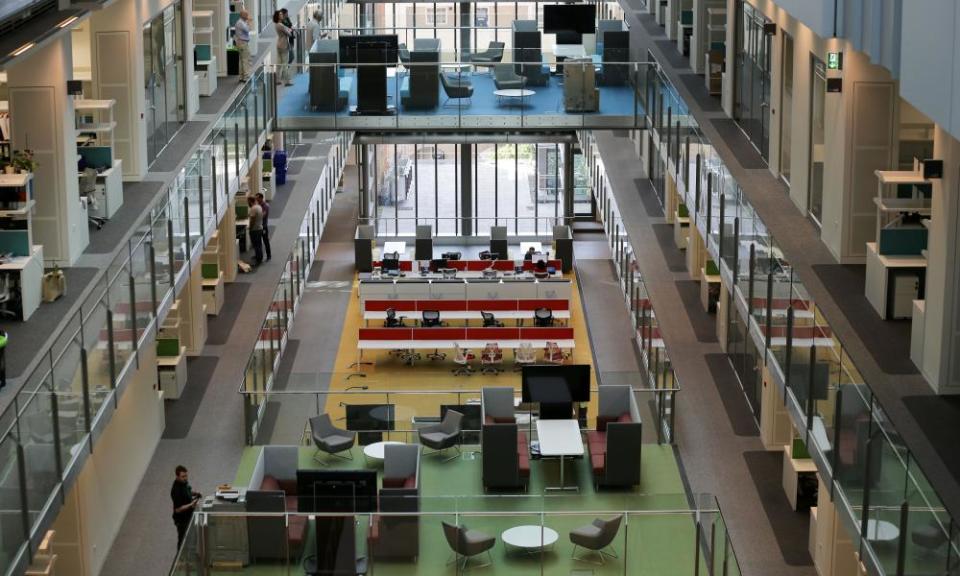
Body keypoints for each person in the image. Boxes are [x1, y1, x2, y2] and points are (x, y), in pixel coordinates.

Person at [171, 465, 201, 552]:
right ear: (177, 476)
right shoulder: (175, 491)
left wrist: (195, 493)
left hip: (189, 515)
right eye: (183, 476)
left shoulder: (184, 483)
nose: (185, 478)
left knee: (192, 536)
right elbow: (178, 509)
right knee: (182, 540)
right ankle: (180, 558)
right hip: (182, 521)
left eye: (186, 475)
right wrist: (191, 505)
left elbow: (188, 491)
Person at [273, 11, 293, 86]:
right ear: (277, 16)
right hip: (284, 44)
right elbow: (289, 33)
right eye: (280, 14)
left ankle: (278, 79)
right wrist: (289, 30)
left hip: (279, 44)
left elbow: (287, 29)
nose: (282, 15)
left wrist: (288, 29)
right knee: (285, 63)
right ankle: (287, 81)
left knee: (279, 63)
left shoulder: (277, 25)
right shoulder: (280, 25)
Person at [234, 10, 251, 82]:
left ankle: (241, 76)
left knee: (241, 60)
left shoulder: (240, 22)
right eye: (246, 15)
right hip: (243, 43)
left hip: (240, 42)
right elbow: (247, 30)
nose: (248, 16)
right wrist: (249, 23)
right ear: (243, 15)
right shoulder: (241, 23)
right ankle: (245, 77)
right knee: (245, 60)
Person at [247, 196, 265, 266]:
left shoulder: (253, 209)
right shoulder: (259, 207)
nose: (248, 203)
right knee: (259, 244)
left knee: (256, 245)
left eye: (248, 202)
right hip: (260, 228)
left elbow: (253, 220)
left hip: (255, 230)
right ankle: (259, 257)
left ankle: (258, 259)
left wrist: (250, 228)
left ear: (250, 201)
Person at [256, 192, 272, 261]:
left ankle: (269, 255)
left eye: (257, 198)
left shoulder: (265, 206)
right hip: (258, 226)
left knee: (266, 241)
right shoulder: (258, 205)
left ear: (261, 198)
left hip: (263, 227)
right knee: (258, 241)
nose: (256, 200)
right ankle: (259, 255)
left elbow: (263, 215)